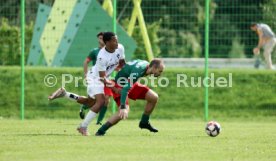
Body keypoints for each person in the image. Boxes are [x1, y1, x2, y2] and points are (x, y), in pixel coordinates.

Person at [48, 32, 125, 136]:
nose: (117, 42)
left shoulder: (120, 48)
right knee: (101, 101)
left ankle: (64, 94)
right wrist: (115, 89)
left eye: (117, 39)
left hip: (102, 77)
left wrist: (127, 73)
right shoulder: (102, 56)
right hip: (95, 77)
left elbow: (122, 64)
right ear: (107, 42)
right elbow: (102, 78)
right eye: (114, 41)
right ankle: (83, 127)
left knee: (90, 103)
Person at [95, 59, 165, 136]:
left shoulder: (146, 65)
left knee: (153, 97)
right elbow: (125, 89)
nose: (160, 74)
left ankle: (144, 122)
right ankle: (101, 131)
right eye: (160, 71)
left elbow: (130, 65)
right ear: (154, 67)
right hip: (119, 86)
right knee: (123, 112)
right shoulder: (138, 71)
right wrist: (122, 106)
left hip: (129, 83)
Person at [80, 32, 112, 125]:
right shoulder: (95, 51)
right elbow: (86, 61)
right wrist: (86, 75)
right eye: (100, 38)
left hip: (106, 78)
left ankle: (99, 121)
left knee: (106, 100)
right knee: (95, 100)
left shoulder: (111, 50)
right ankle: (84, 106)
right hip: (96, 78)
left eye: (103, 38)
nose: (101, 40)